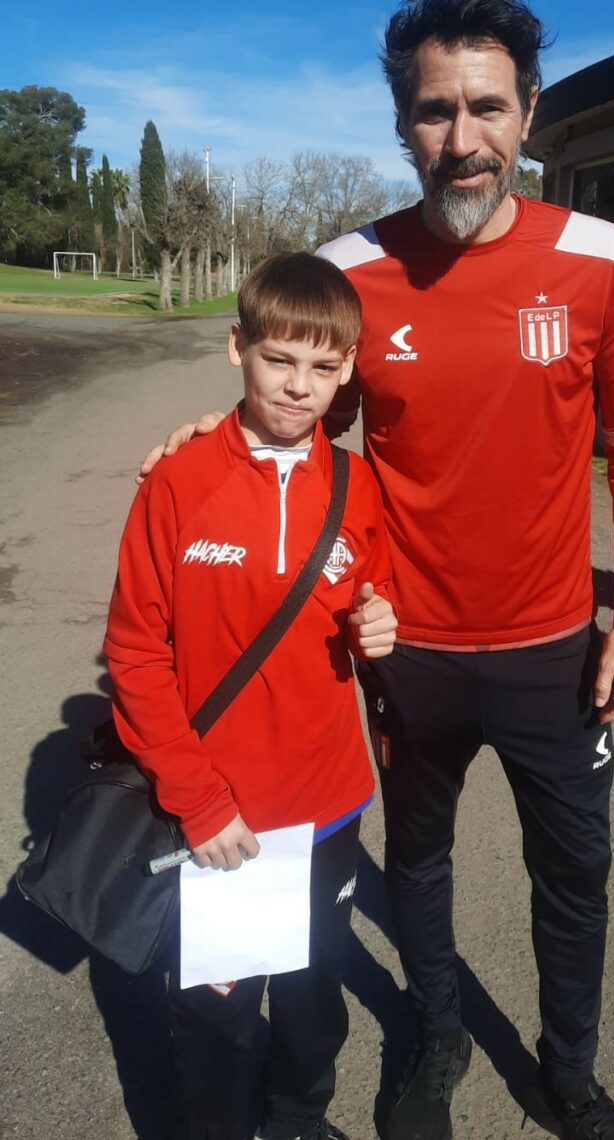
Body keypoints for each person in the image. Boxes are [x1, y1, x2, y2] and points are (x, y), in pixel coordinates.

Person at [139, 3, 614, 1137]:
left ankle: (569, 1073)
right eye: (435, 112)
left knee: (574, 875)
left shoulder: (605, 262)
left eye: (488, 108)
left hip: (553, 651)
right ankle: (436, 1034)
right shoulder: (354, 271)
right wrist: (208, 443)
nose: (463, 139)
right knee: (418, 864)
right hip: (405, 650)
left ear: (529, 114)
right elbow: (299, 415)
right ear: (401, 123)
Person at [106, 252, 397, 1140]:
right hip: (220, 818)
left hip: (328, 808)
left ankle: (298, 1119)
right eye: (279, 359)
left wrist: (378, 621)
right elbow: (135, 656)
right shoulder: (178, 481)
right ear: (238, 347)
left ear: (346, 368)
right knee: (217, 1020)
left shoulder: (356, 484)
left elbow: (373, 589)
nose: (299, 386)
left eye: (323, 366)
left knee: (313, 1001)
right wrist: (198, 801)